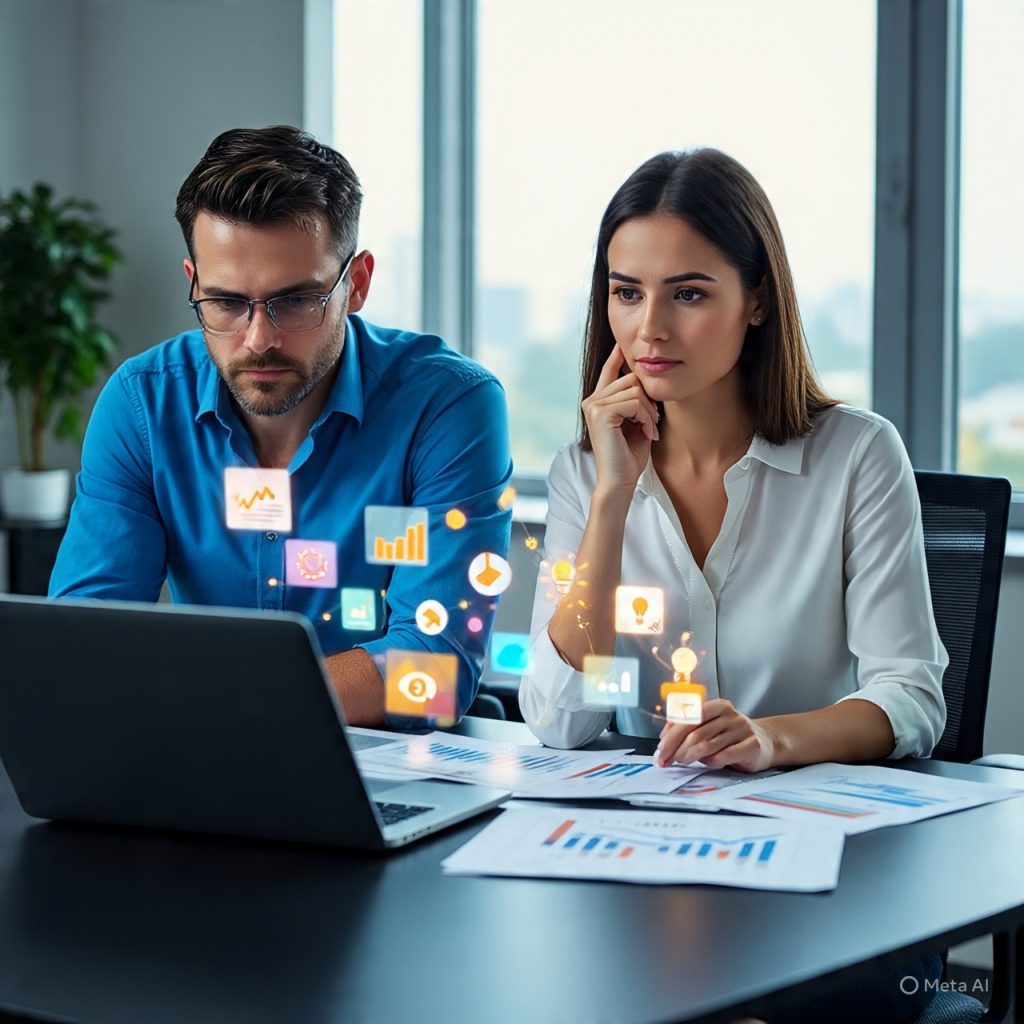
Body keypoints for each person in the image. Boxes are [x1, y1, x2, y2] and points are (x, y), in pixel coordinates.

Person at [519, 146, 949, 1024]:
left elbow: (911, 699)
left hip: (823, 878)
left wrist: (766, 738)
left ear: (756, 299)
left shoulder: (856, 456)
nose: (649, 330)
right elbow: (564, 718)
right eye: (625, 291)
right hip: (639, 868)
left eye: (689, 292)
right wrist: (611, 496)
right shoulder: (582, 473)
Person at [49, 125, 513, 727]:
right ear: (193, 282)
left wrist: (214, 698)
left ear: (358, 283)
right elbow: (86, 639)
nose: (259, 337)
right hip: (199, 763)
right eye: (225, 302)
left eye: (295, 301)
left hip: (381, 765)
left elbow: (436, 666)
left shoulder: (450, 405)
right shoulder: (141, 404)